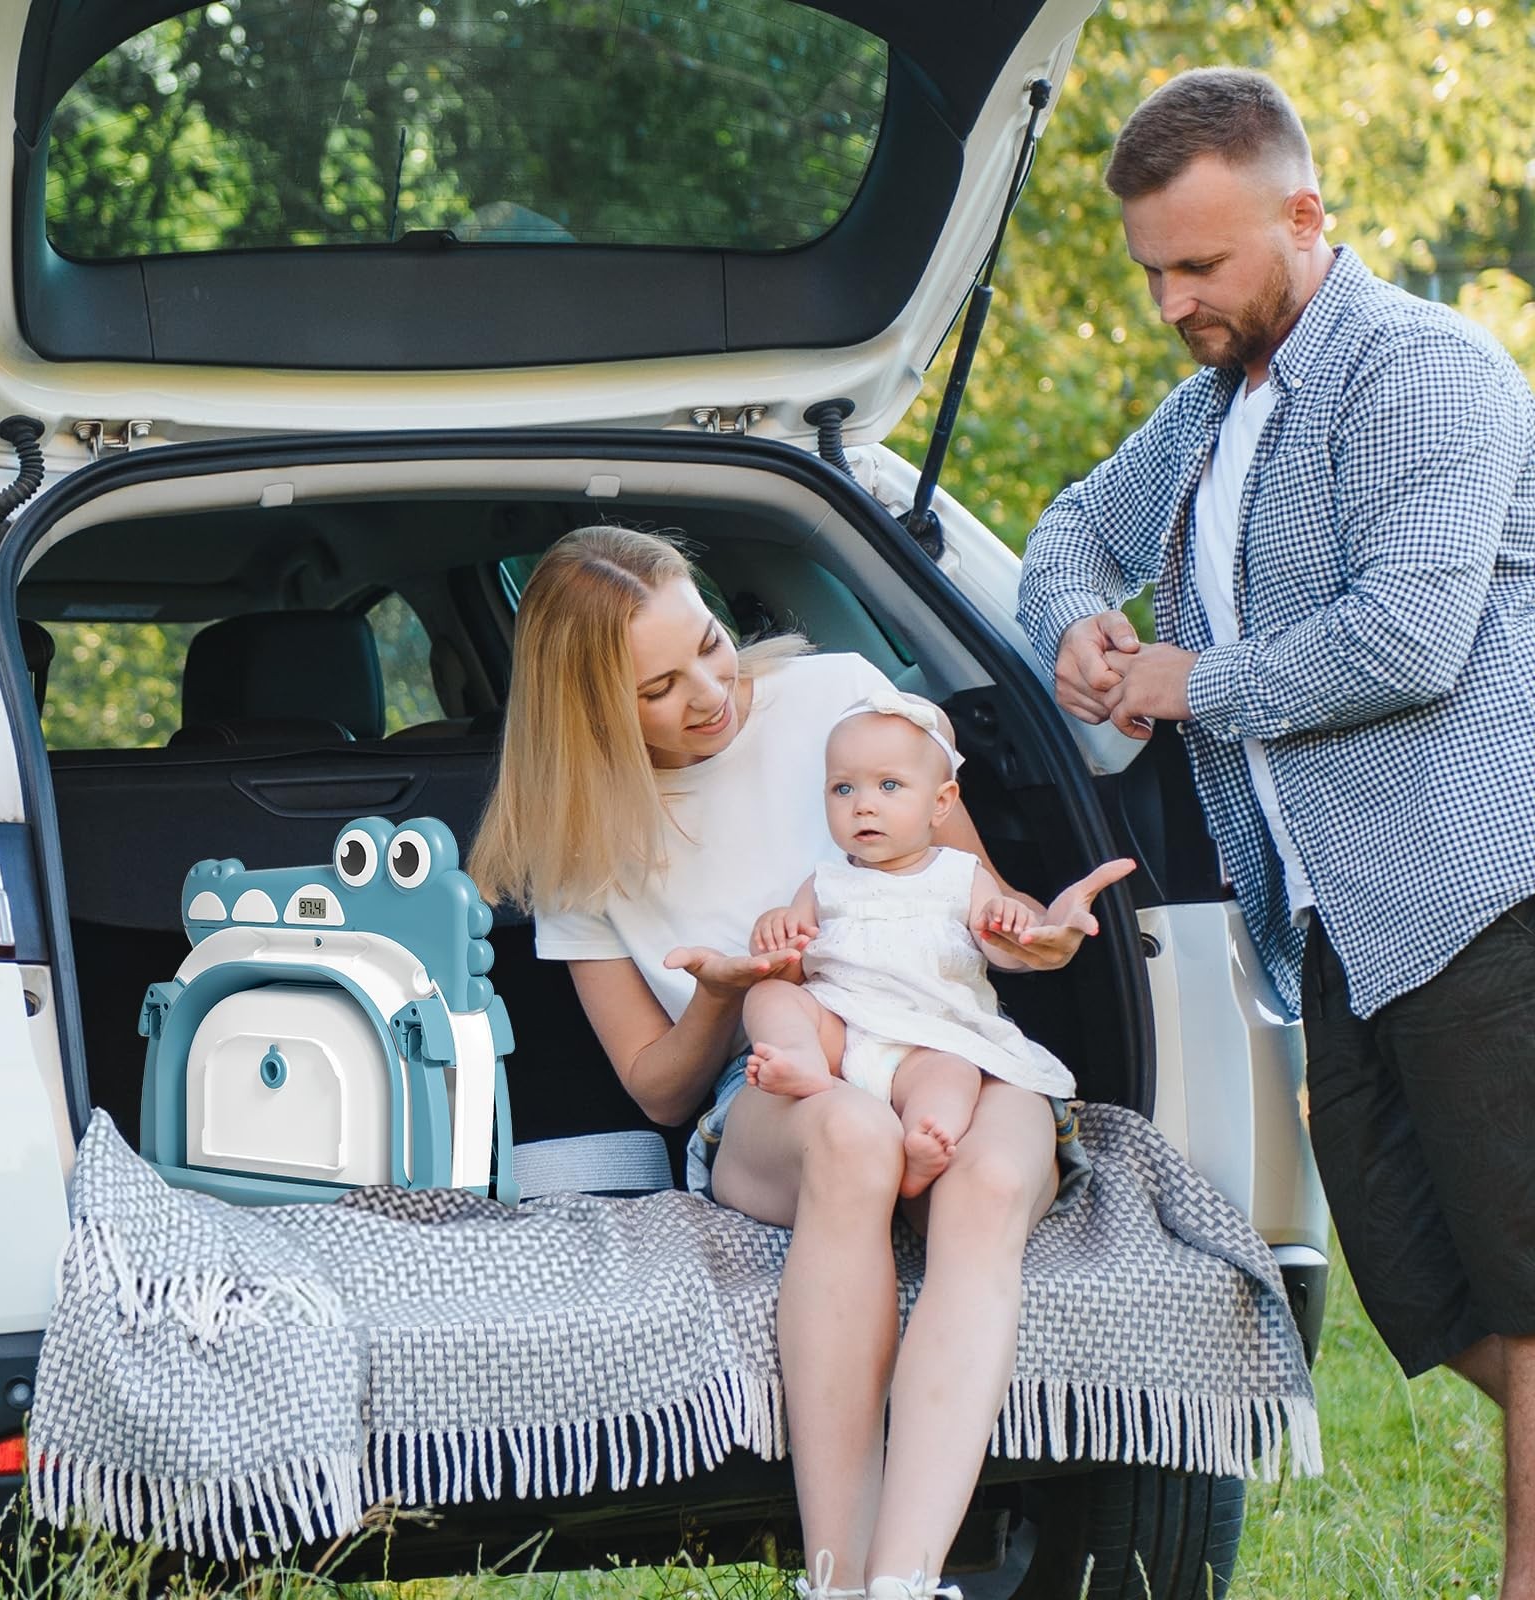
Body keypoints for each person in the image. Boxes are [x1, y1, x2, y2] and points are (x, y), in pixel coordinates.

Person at [1015, 67, 1535, 1600]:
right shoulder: (1211, 410)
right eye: (1154, 270)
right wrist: (1081, 633)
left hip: (1480, 888)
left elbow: (1411, 640)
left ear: (1306, 215)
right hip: (1328, 925)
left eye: (1202, 264)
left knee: (1522, 1270)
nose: (1173, 299)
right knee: (1424, 1291)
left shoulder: (1426, 372)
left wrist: (1189, 682)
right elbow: (1066, 534)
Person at [469, 525, 1133, 1600]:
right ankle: (834, 1580)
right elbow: (658, 1086)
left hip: (946, 1036)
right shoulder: (577, 844)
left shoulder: (839, 694)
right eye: (659, 686)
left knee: (997, 1178)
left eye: (711, 646)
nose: (709, 692)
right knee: (854, 1138)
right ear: (589, 711)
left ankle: (902, 1582)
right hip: (773, 1086)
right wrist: (725, 994)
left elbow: (972, 902)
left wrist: (1034, 935)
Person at [741, 690, 1083, 1202]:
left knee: (954, 1074)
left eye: (889, 785)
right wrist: (774, 932)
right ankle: (800, 1058)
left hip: (932, 1036)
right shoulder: (824, 882)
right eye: (842, 789)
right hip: (844, 1028)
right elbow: (790, 966)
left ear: (940, 803)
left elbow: (1003, 953)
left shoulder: (960, 875)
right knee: (767, 999)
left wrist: (1012, 927)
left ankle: (925, 1142)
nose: (864, 805)